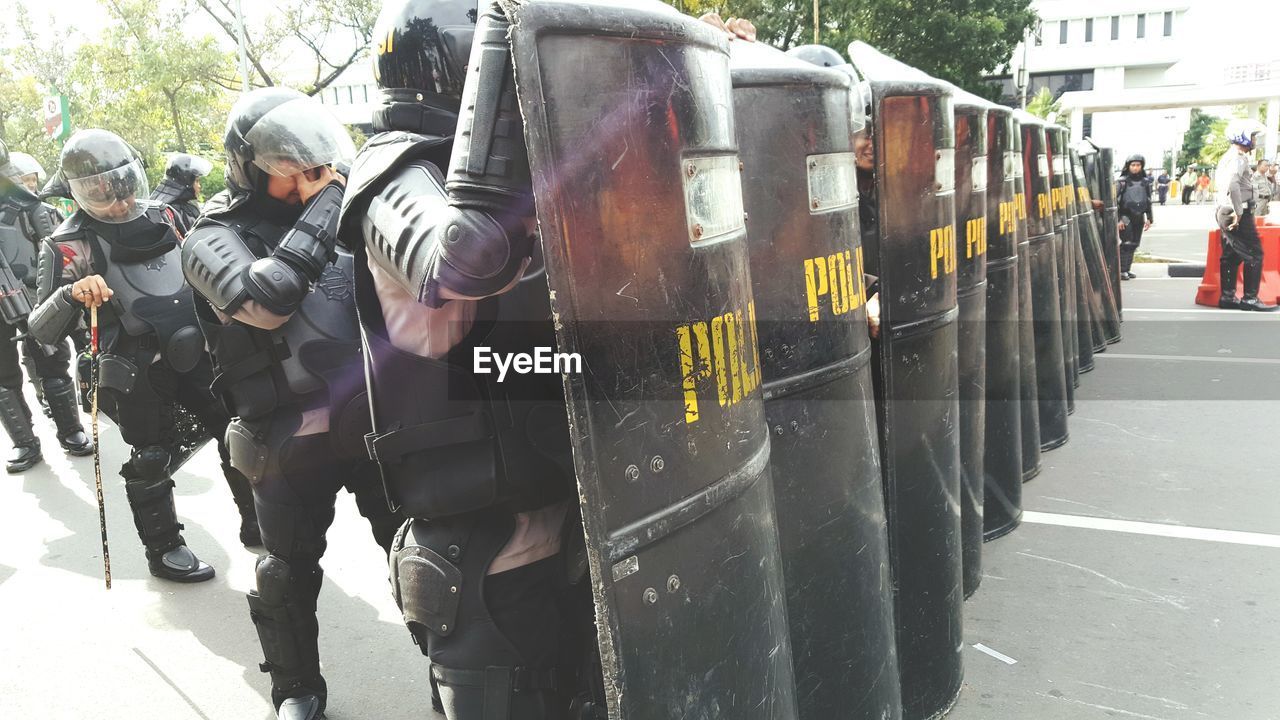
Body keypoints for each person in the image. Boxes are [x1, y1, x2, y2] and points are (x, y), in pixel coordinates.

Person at [181, 87, 401, 720]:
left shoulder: (347, 215)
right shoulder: (212, 236)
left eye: (311, 160)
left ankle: (449, 664)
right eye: (288, 162)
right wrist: (330, 201)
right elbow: (268, 299)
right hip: (283, 435)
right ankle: (296, 689)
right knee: (286, 574)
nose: (308, 173)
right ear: (252, 166)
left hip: (373, 419)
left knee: (421, 548)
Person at [27, 129, 260, 583]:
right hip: (133, 366)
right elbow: (40, 329)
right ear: (77, 192)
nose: (116, 198)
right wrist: (73, 295)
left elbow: (206, 268)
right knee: (150, 456)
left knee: (236, 433)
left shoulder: (166, 215)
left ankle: (256, 518)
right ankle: (165, 548)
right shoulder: (67, 243)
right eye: (100, 189)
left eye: (122, 183)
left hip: (199, 350)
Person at [0, 139, 93, 472]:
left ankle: (70, 431)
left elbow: (56, 251)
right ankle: (25, 443)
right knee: (3, 377)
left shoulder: (31, 208)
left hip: (32, 297)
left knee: (52, 361)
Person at [1215, 119, 1277, 311]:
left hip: (1226, 210)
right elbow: (1232, 184)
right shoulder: (1238, 157)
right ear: (1241, 135)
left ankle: (1227, 297)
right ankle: (1250, 299)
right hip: (1237, 211)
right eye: (1251, 136)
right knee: (1254, 253)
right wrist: (1238, 211)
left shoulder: (1230, 156)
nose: (1254, 140)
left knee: (1232, 255)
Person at [1115, 153, 1153, 280]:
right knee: (1126, 243)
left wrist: (1149, 217)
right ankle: (1121, 270)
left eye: (1138, 165)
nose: (1135, 167)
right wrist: (1118, 219)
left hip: (1139, 216)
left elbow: (1148, 200)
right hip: (1126, 216)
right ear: (1128, 166)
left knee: (1134, 243)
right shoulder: (1122, 182)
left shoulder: (1145, 182)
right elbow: (1115, 202)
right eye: (1133, 165)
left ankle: (1127, 269)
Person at [151, 153, 212, 228]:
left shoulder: (157, 204)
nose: (199, 186)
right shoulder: (179, 212)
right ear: (186, 182)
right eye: (196, 181)